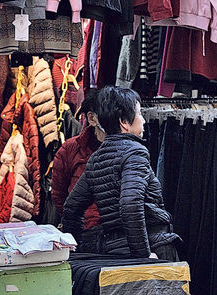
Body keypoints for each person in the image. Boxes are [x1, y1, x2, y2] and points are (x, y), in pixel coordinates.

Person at [62, 86, 180, 259]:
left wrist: (76, 253)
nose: (144, 120)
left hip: (114, 252)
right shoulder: (135, 152)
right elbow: (131, 203)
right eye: (139, 114)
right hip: (153, 245)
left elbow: (71, 208)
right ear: (124, 121)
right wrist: (143, 256)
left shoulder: (96, 158)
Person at [51, 90, 104, 252]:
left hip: (117, 235)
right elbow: (59, 194)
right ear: (91, 118)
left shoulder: (128, 149)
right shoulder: (71, 149)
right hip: (82, 233)